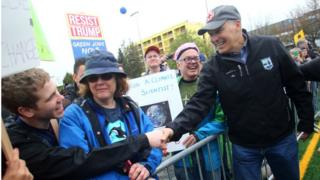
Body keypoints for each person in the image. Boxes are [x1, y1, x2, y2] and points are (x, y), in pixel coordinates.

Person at [161, 5, 314, 180]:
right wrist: (172, 129)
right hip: (244, 148)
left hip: (281, 140)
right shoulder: (212, 67)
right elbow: (199, 104)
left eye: (218, 30)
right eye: (211, 34)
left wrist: (306, 120)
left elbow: (296, 84)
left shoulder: (270, 45)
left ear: (237, 24)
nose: (214, 38)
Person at [1, 68, 164, 179]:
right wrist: (143, 140)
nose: (61, 98)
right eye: (51, 97)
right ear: (27, 111)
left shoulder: (55, 120)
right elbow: (85, 161)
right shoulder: (18, 149)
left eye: (57, 91)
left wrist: (146, 164)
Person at [59, 50, 162, 180]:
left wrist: (146, 166)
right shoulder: (73, 116)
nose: (99, 82)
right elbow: (79, 165)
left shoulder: (131, 108)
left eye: (106, 75)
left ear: (117, 79)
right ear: (87, 83)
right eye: (93, 78)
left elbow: (153, 142)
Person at [173, 42, 225, 180]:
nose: (192, 62)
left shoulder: (211, 85)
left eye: (196, 58)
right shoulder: (169, 88)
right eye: (187, 59)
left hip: (209, 153)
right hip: (182, 157)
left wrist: (199, 135)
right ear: (178, 64)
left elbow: (222, 118)